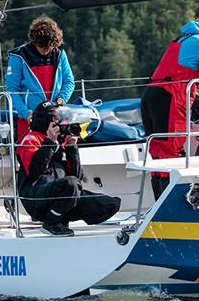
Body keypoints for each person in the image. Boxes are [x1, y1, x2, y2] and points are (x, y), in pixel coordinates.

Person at [141, 18, 199, 199]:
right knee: (171, 152)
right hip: (170, 97)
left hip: (151, 95)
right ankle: (169, 210)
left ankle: (158, 208)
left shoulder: (180, 40)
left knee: (158, 153)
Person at [16, 101, 121, 237]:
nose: (62, 124)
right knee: (71, 184)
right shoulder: (31, 139)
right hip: (36, 197)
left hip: (60, 196)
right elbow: (34, 171)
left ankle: (60, 218)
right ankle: (51, 222)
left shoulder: (62, 142)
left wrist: (72, 147)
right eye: (57, 120)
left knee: (111, 204)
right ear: (47, 122)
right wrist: (50, 142)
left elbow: (77, 178)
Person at [6, 17, 75, 140]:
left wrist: (61, 101)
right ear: (34, 41)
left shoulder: (60, 53)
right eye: (42, 47)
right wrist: (26, 113)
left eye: (50, 47)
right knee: (32, 158)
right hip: (30, 120)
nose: (46, 50)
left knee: (61, 156)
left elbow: (69, 82)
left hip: (56, 117)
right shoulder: (18, 57)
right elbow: (12, 91)